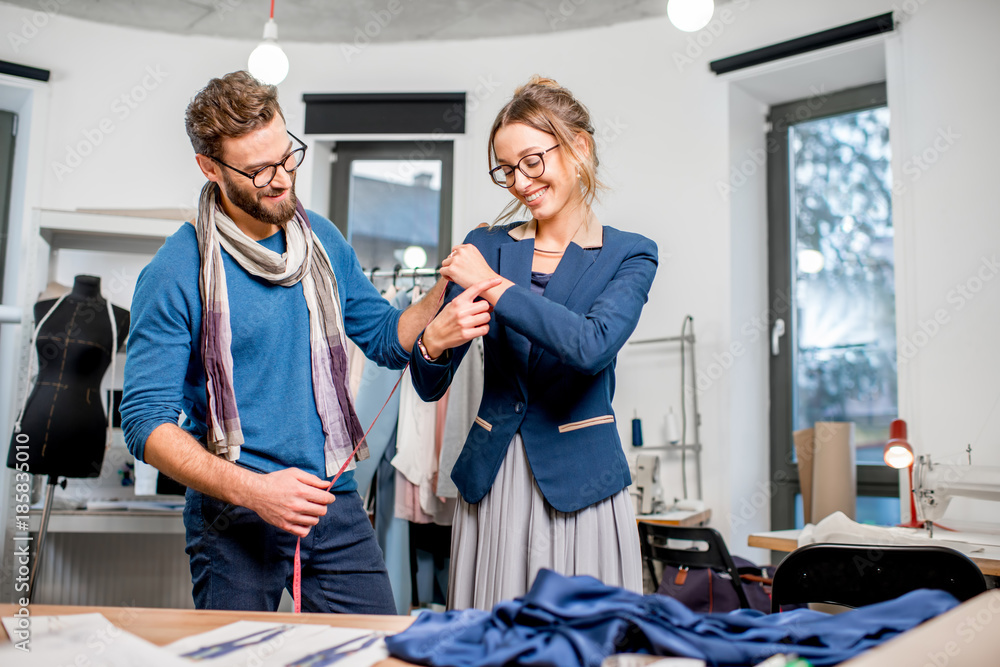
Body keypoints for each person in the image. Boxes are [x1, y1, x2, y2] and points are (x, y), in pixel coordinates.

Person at [120, 71, 444, 613]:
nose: (280, 178)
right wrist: (255, 491)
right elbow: (145, 425)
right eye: (257, 169)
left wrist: (442, 292)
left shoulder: (322, 239)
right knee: (239, 656)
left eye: (287, 156)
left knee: (375, 652)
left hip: (331, 501)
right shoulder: (177, 269)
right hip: (232, 515)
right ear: (209, 168)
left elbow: (388, 339)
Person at [410, 76, 658, 609]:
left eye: (531, 161)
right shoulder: (485, 247)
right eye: (505, 169)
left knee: (581, 643)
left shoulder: (629, 255)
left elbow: (591, 345)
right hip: (493, 480)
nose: (519, 182)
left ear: (579, 147)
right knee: (489, 641)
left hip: (582, 486)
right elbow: (431, 385)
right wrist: (432, 343)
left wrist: (493, 287)